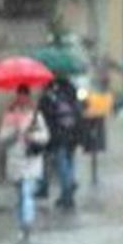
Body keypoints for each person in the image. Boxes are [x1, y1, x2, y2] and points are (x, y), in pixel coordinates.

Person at [0, 85, 49, 244]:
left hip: (31, 160)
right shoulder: (9, 116)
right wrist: (14, 133)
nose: (22, 99)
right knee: (20, 195)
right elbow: (1, 138)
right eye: (19, 95)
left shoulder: (36, 115)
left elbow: (45, 136)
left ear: (28, 97)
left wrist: (31, 137)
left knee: (27, 192)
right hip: (15, 160)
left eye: (24, 96)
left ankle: (27, 223)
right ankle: (22, 226)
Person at [38, 75, 82, 210]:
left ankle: (67, 192)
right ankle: (69, 184)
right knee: (69, 161)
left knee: (62, 163)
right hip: (73, 134)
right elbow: (79, 111)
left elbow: (44, 117)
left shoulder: (48, 96)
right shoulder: (71, 91)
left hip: (58, 135)